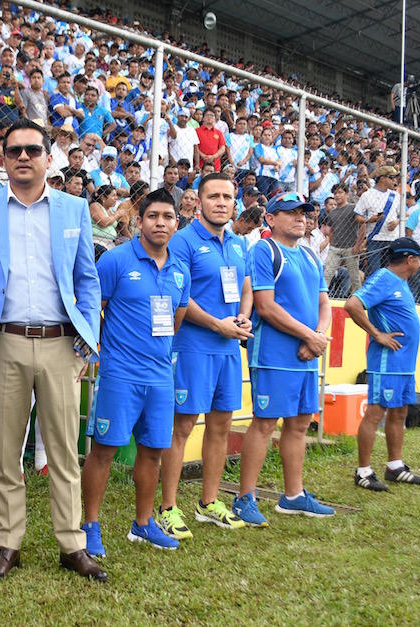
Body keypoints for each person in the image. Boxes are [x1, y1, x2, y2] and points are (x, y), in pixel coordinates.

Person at [0, 118, 105, 583]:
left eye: (32, 150)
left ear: (47, 157)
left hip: (61, 345)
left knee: (62, 450)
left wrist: (87, 341)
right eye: (13, 150)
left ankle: (72, 545)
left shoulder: (74, 208)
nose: (22, 157)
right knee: (6, 452)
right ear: (1, 158)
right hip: (2, 343)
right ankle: (8, 544)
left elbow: (86, 280)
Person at [81, 188, 189, 555]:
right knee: (104, 452)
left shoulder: (180, 270)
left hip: (160, 376)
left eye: (168, 217)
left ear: (177, 223)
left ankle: (143, 524)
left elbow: (176, 319)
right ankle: (89, 525)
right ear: (139, 221)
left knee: (153, 451)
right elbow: (93, 307)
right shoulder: (115, 260)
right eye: (153, 216)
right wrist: (93, 353)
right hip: (120, 374)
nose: (161, 223)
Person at [156, 173, 252, 540]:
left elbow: (245, 284)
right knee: (181, 427)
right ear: (198, 201)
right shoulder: (182, 241)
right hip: (194, 347)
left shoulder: (239, 244)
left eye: (228, 196)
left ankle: (208, 502)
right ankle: (168, 507)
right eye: (214, 196)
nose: (222, 202)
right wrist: (217, 325)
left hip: (228, 347)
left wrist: (242, 315)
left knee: (221, 425)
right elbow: (180, 296)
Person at [233, 192, 335, 527]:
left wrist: (318, 337)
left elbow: (324, 305)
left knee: (300, 423)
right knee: (265, 423)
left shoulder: (309, 254)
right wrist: (309, 337)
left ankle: (293, 495)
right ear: (271, 218)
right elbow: (265, 306)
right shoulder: (265, 250)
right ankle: (243, 497)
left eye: (304, 213)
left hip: (307, 353)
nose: (300, 218)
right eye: (290, 212)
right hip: (275, 355)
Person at [344, 238, 420, 491]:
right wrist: (377, 334)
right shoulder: (383, 278)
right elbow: (352, 304)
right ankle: (363, 472)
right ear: (410, 259)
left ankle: (395, 467)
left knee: (400, 412)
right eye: (419, 259)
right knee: (375, 413)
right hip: (386, 362)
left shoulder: (400, 282)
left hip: (403, 364)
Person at [354, 165, 401, 279]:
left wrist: (397, 222)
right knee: (374, 272)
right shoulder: (367, 195)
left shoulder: (396, 195)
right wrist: (370, 220)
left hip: (392, 239)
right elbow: (357, 217)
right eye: (391, 177)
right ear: (382, 178)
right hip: (375, 239)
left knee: (389, 273)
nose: (394, 181)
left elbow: (403, 215)